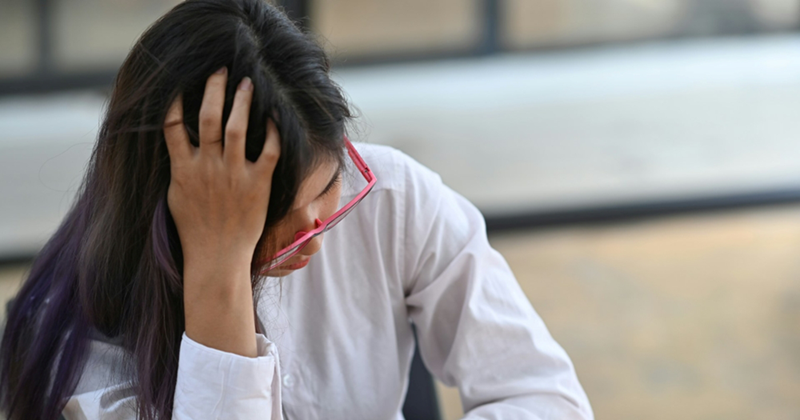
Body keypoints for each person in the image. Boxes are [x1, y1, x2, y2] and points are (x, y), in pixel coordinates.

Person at [0, 0, 593, 419]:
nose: (315, 239)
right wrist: (219, 274)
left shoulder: (389, 197)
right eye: (274, 223)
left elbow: (546, 395)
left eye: (329, 190)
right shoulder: (72, 339)